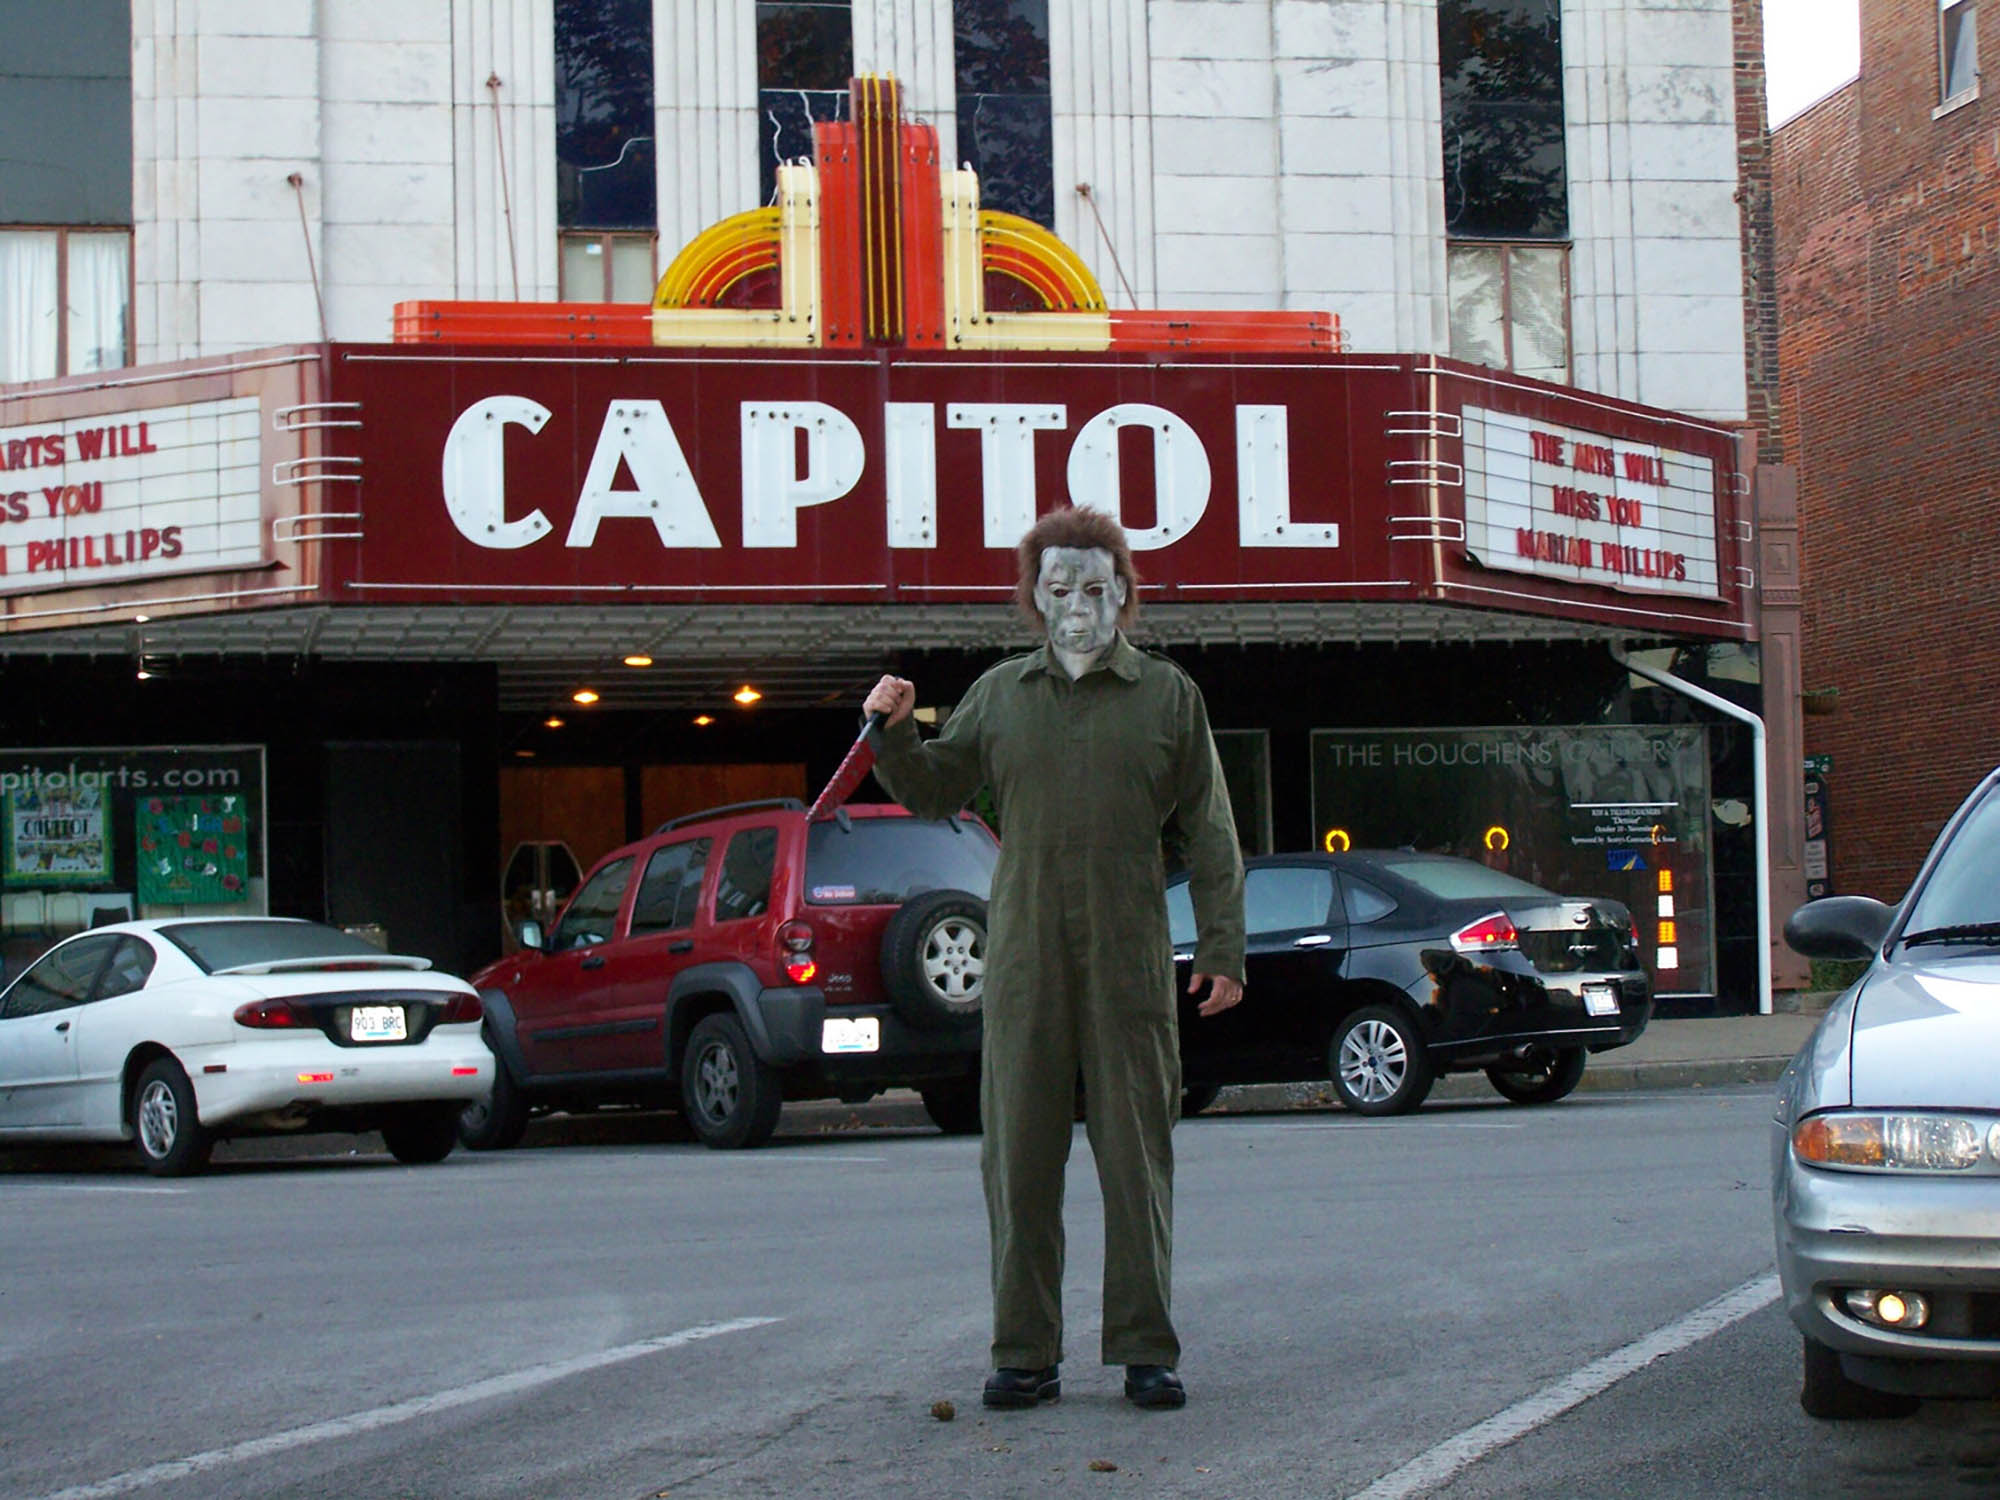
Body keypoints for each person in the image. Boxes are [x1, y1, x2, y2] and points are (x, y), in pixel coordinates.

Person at [862, 505, 1245, 1412]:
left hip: (1130, 959)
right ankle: (1024, 1352)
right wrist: (892, 731)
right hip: (1026, 961)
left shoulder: (1168, 696)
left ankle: (1146, 1349)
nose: (1078, 601)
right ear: (1035, 597)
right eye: (1060, 586)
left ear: (1124, 594)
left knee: (1136, 1158)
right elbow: (931, 789)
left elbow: (1213, 829)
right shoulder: (1000, 696)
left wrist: (1222, 945)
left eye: (1096, 585)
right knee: (1019, 1161)